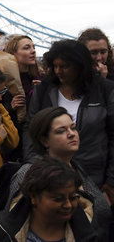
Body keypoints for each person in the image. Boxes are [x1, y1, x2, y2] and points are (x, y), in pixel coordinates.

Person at [24, 39, 114, 203]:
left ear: (80, 66)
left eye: (65, 66)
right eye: (55, 66)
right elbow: (30, 130)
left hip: (96, 179)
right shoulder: (43, 91)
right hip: (51, 179)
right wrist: (34, 166)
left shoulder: (104, 90)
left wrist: (111, 182)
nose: (59, 71)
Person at [9, 106, 111, 241]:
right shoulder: (30, 173)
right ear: (44, 141)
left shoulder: (76, 168)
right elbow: (16, 226)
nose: (71, 134)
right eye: (61, 131)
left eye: (73, 128)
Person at [0, 157, 97, 242]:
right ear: (34, 197)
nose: (68, 205)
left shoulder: (88, 233)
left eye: (73, 197)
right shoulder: (4, 231)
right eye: (58, 199)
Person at [4, 35, 41, 114]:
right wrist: (10, 107)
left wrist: (43, 89)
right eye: (27, 48)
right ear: (13, 54)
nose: (33, 51)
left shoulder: (41, 77)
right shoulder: (3, 81)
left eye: (33, 47)